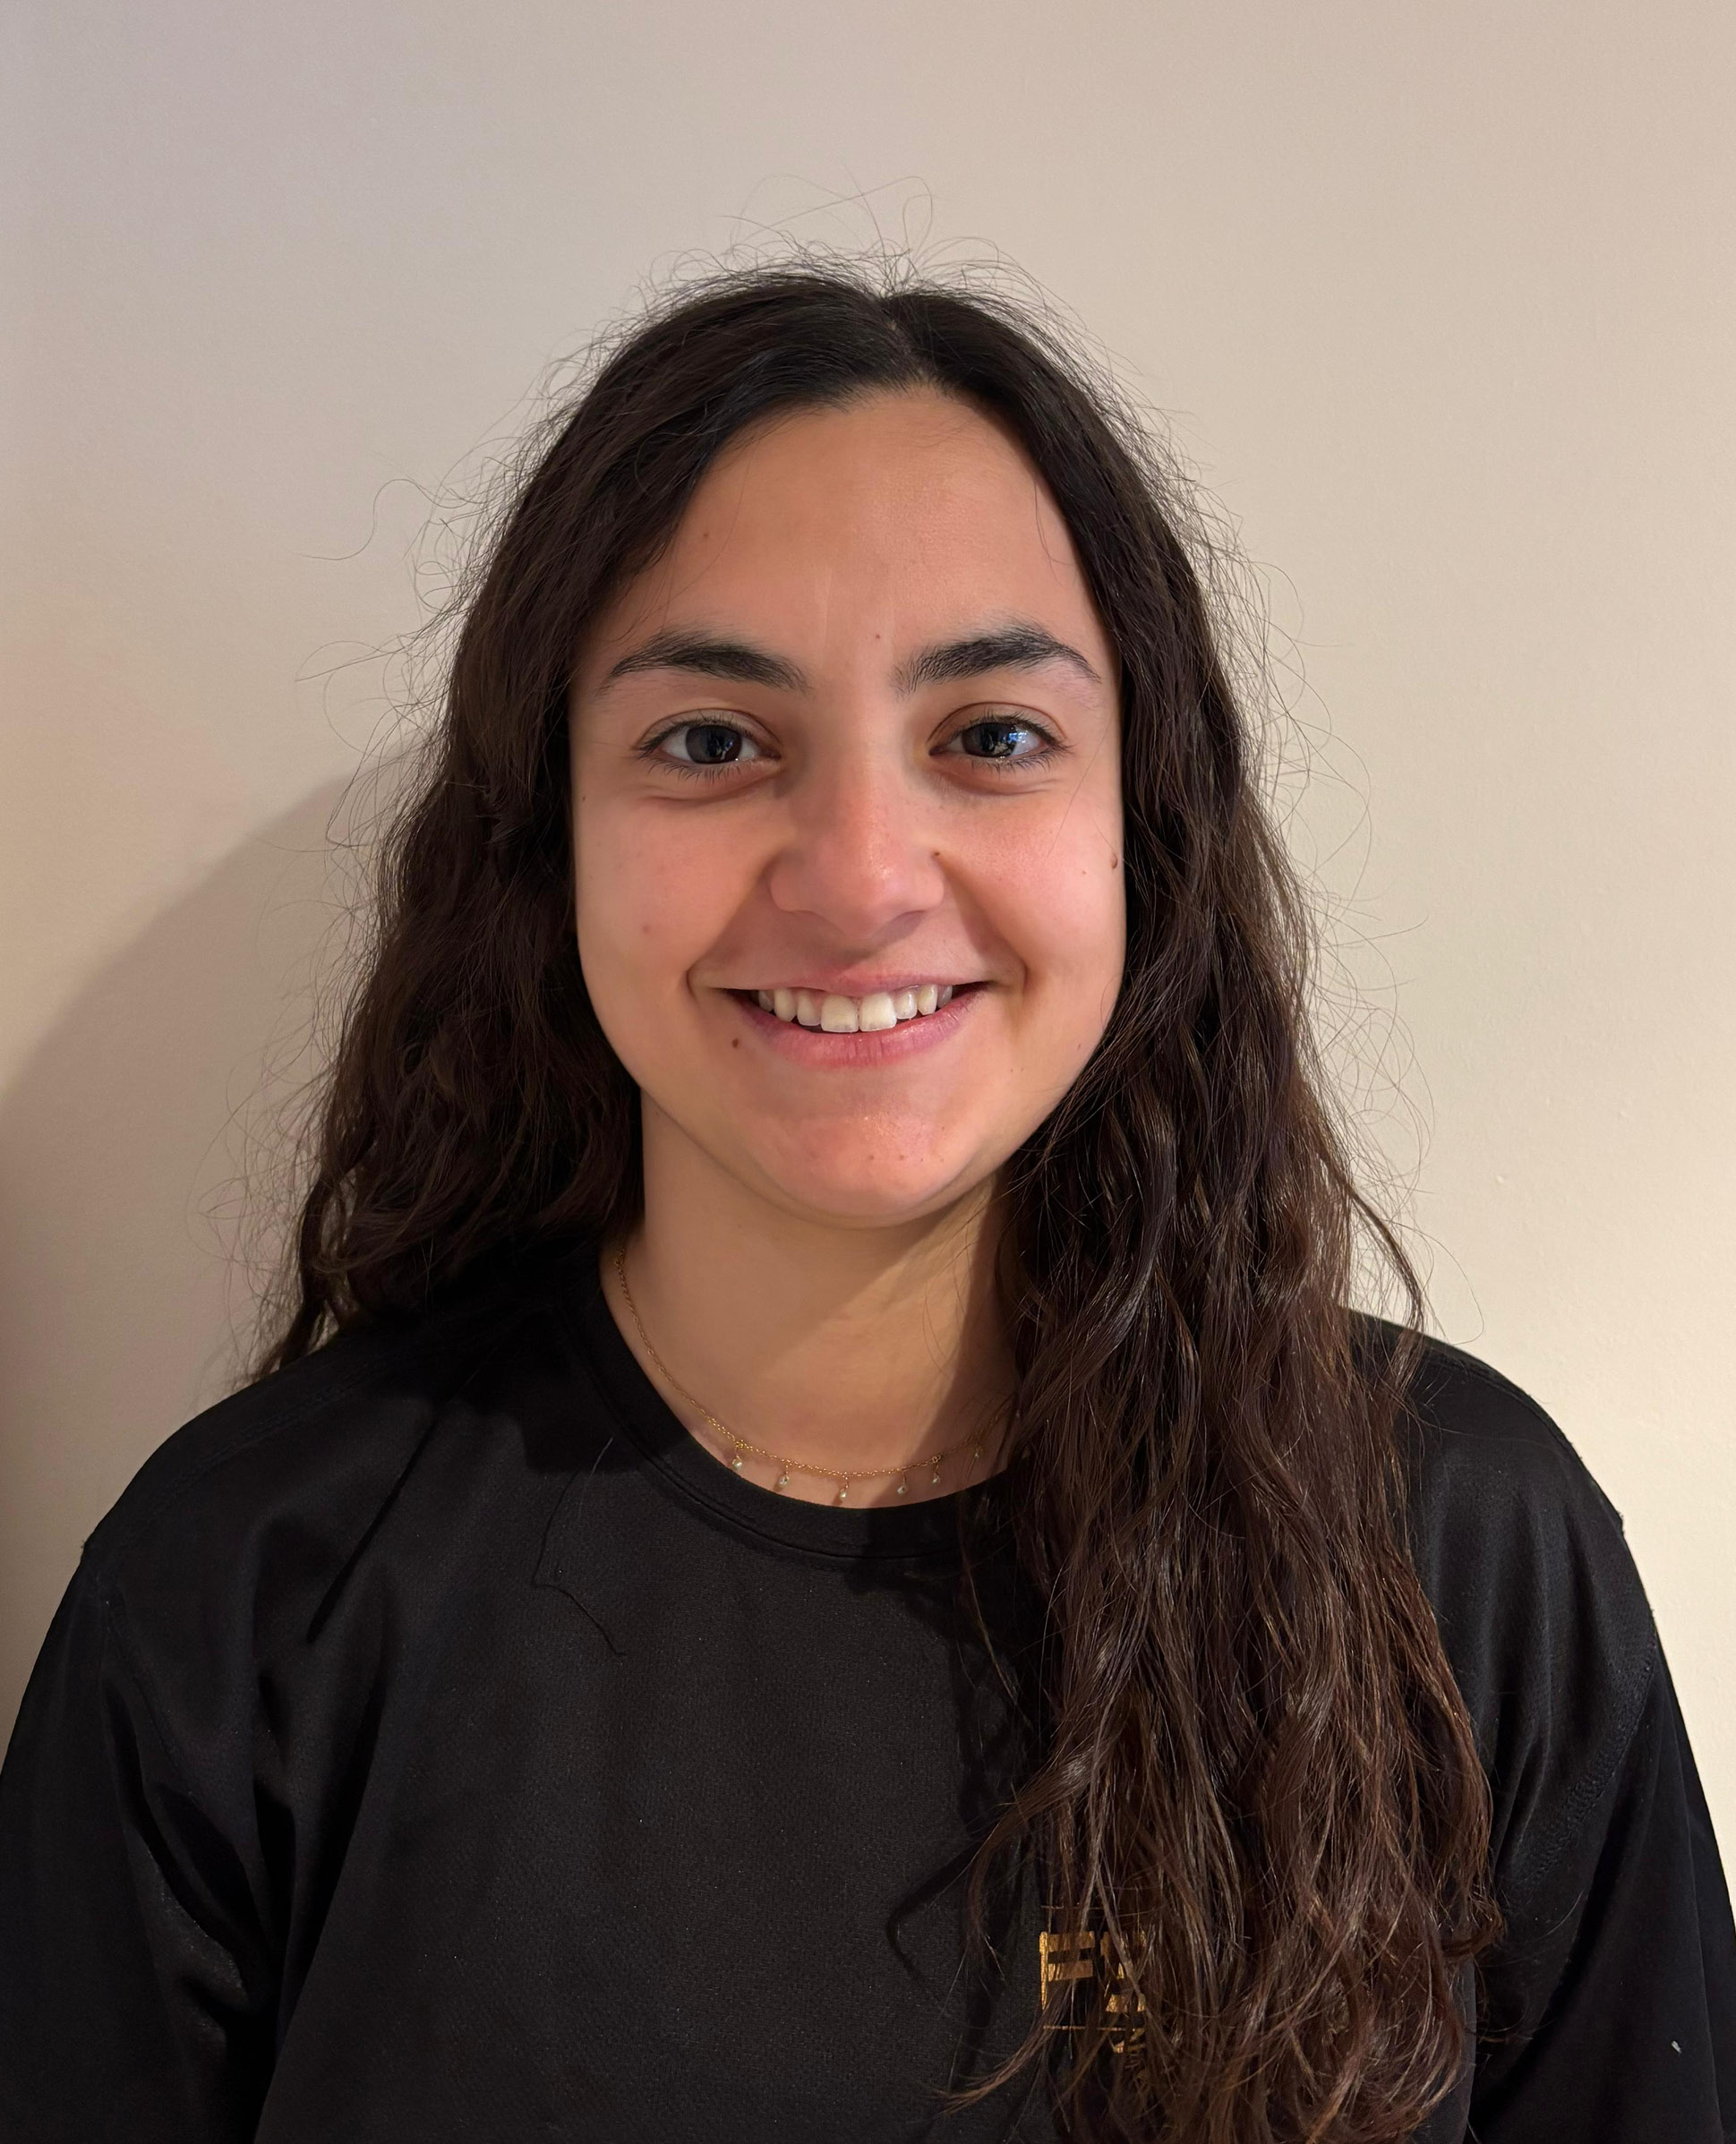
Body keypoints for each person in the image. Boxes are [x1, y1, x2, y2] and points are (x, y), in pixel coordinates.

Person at [1, 262, 1731, 2144]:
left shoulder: (1458, 1554)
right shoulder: (245, 1595)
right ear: (546, 837)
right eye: (710, 741)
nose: (858, 880)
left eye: (989, 735)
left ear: (1139, 828)